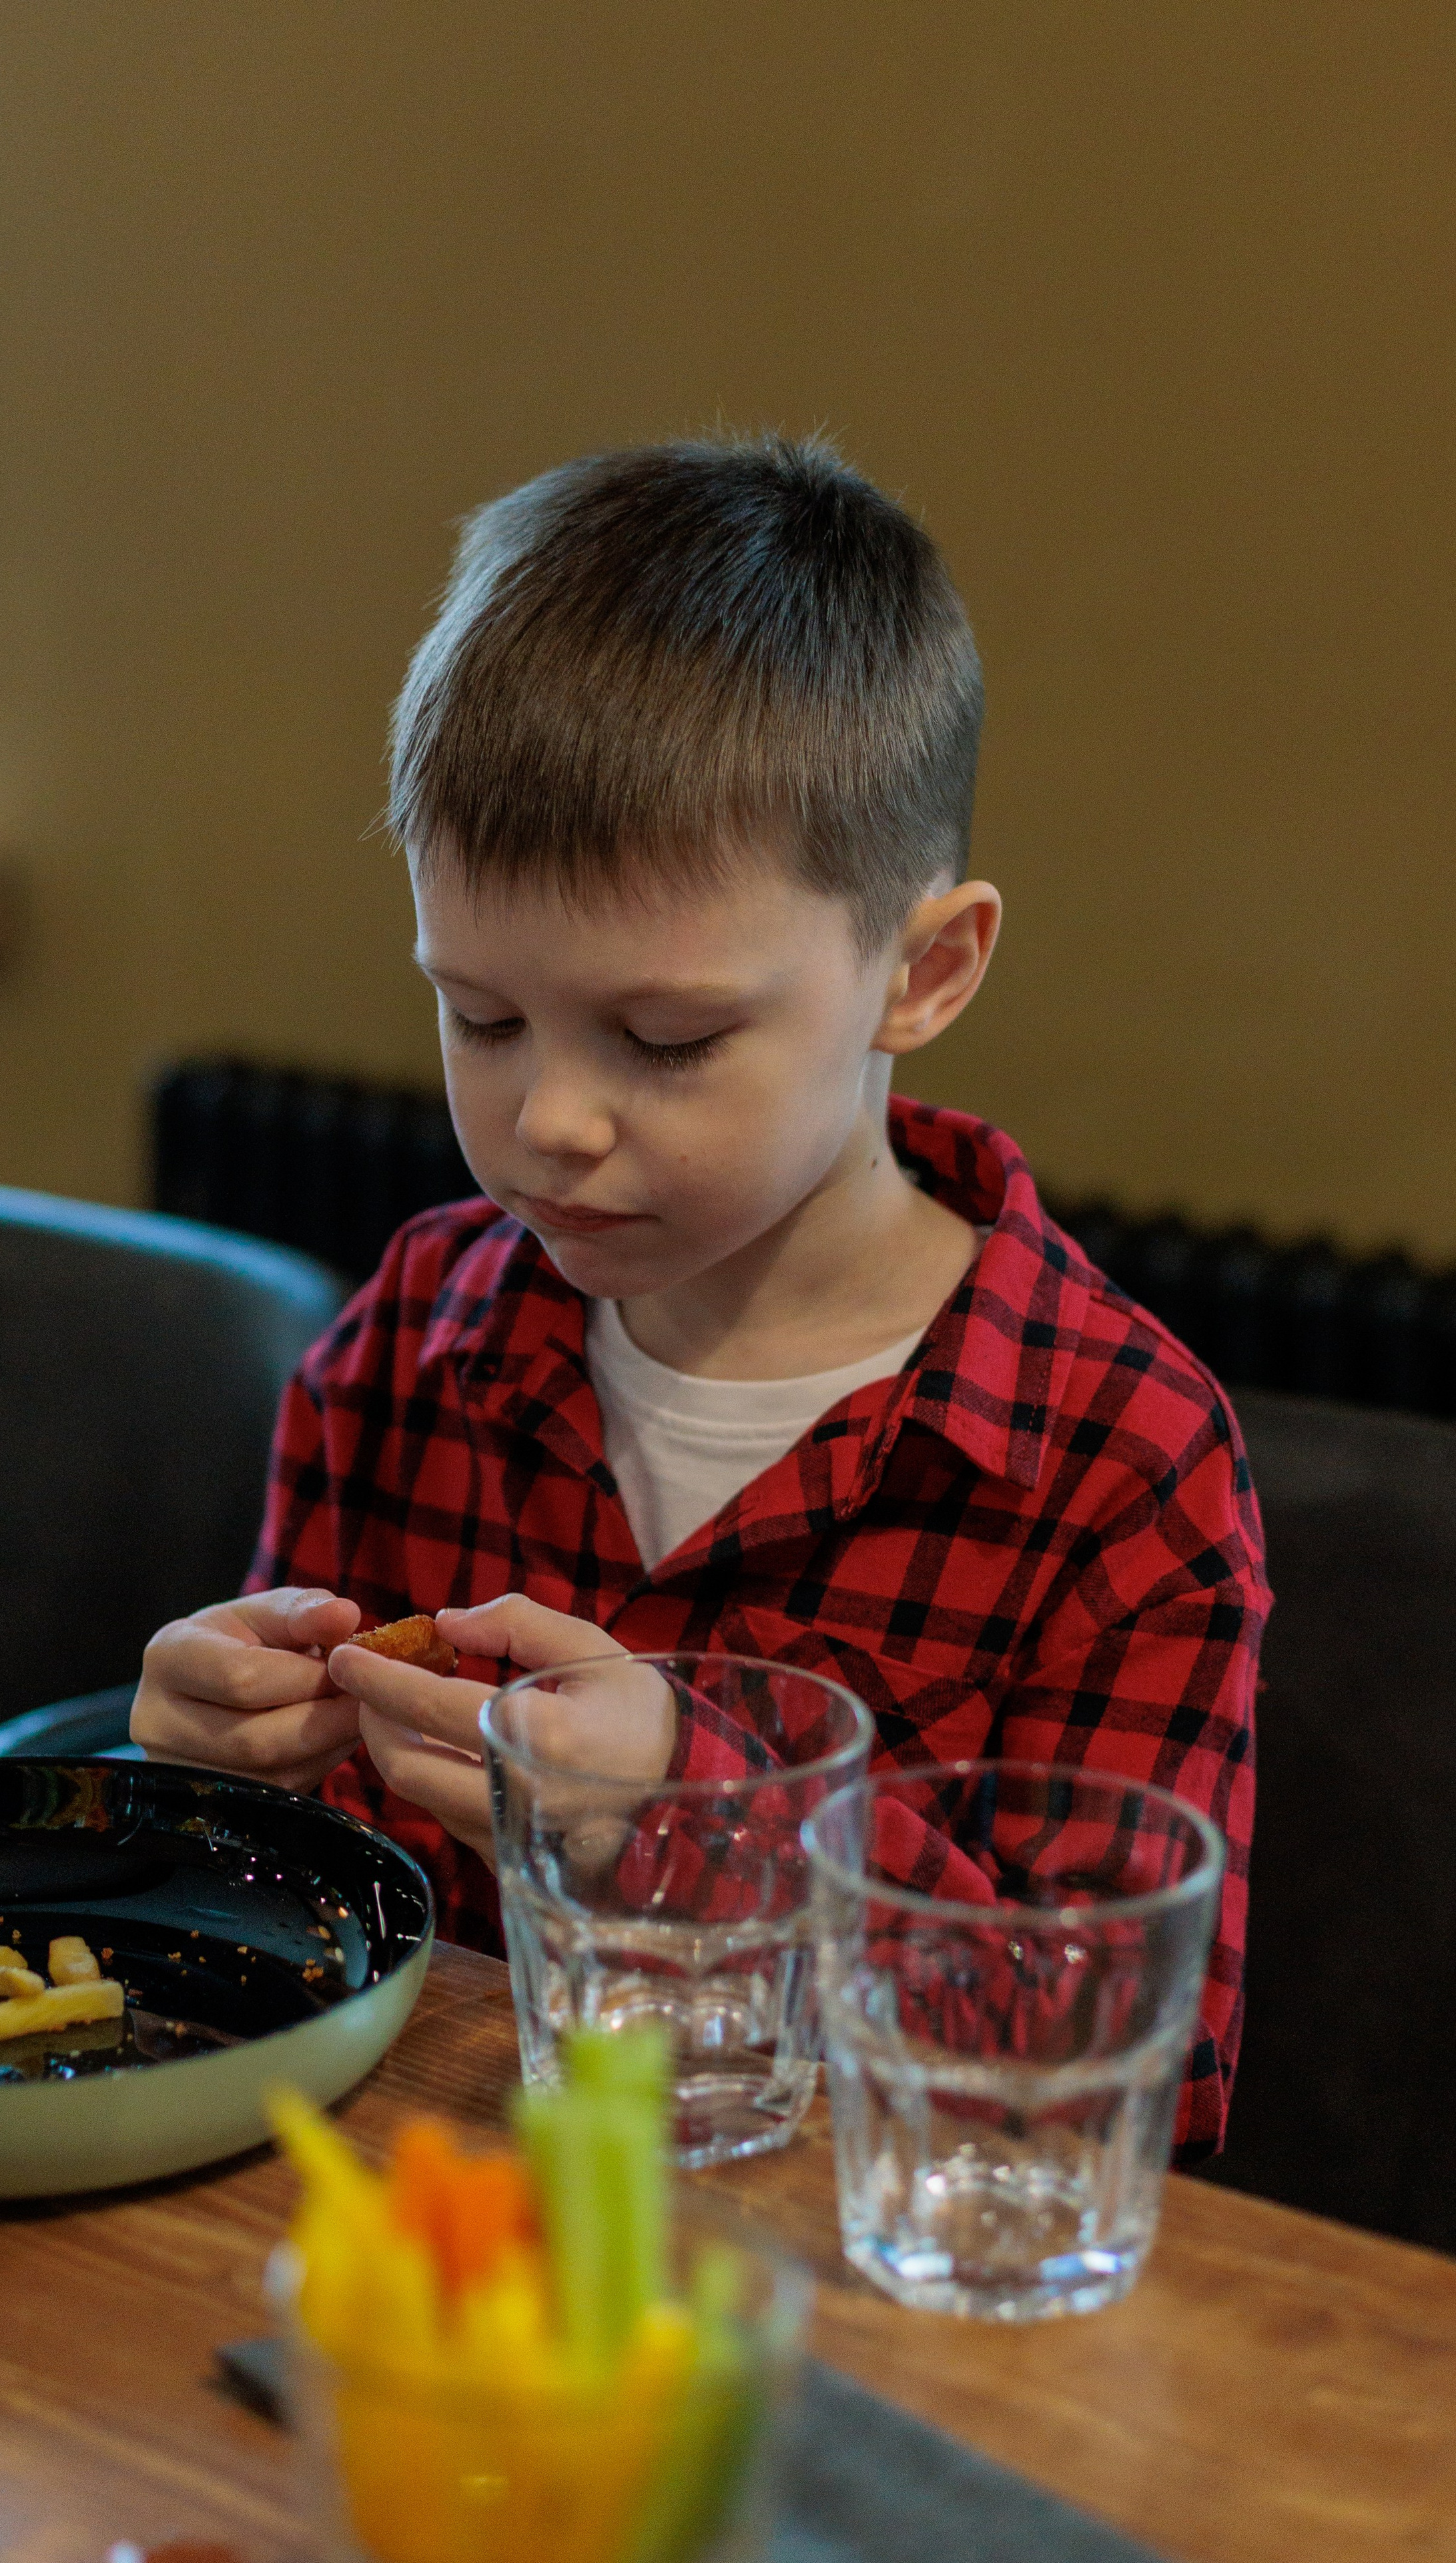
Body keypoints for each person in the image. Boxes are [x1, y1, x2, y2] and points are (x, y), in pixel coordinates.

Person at [131, 435, 1266, 2161]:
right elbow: (295, 1937)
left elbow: (1135, 2093)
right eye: (482, 1017)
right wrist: (210, 1779)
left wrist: (698, 1806)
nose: (548, 1121)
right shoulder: (408, 1345)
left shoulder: (1121, 1463)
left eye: (669, 1042)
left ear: (922, 971)